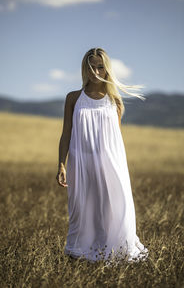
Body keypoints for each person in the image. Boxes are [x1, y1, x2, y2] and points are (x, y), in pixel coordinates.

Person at [56, 47, 148, 264]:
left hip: (111, 163)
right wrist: (61, 164)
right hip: (81, 163)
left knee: (115, 208)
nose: (95, 72)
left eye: (100, 67)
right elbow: (66, 133)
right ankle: (81, 254)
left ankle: (118, 253)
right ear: (84, 69)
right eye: (91, 67)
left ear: (107, 70)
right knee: (83, 210)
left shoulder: (114, 101)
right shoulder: (73, 98)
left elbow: (117, 140)